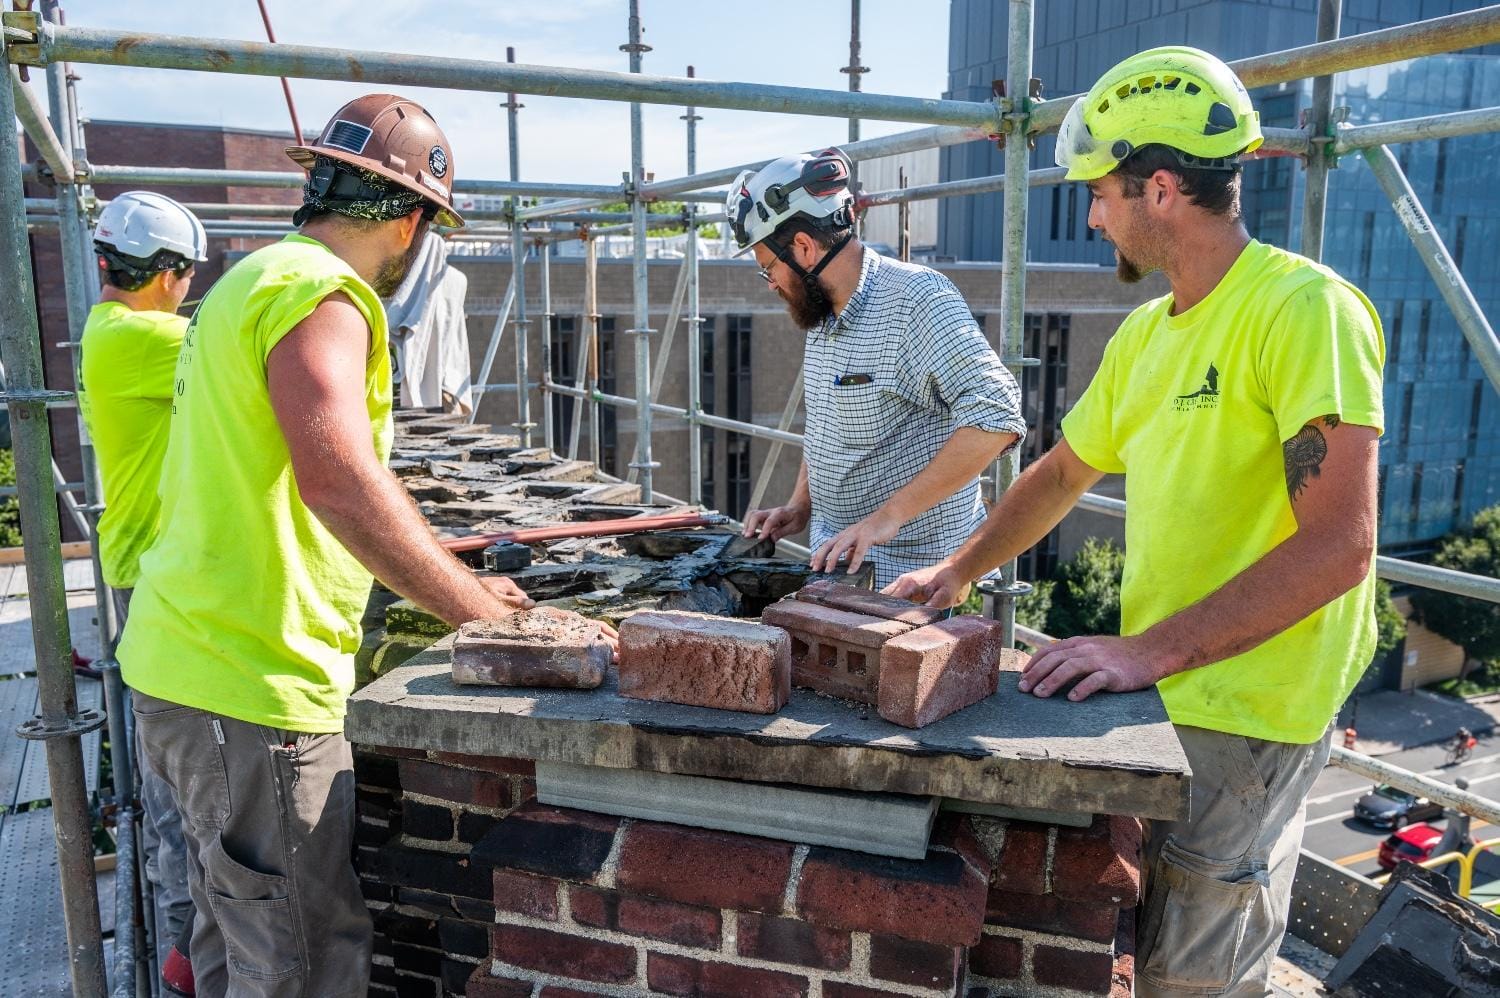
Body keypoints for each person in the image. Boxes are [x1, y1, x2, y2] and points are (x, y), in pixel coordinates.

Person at [886, 47, 1384, 997]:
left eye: (1102, 193)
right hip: (1168, 692)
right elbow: (1065, 469)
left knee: (1194, 976)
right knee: (1141, 947)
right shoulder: (1148, 336)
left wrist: (1146, 650)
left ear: (1160, 187)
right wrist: (956, 571)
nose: (1090, 215)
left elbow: (1339, 547)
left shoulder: (1303, 310)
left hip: (1253, 710)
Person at [119, 93, 617, 996]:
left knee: (237, 940)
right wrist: (474, 609)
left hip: (180, 663)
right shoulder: (326, 293)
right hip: (251, 684)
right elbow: (340, 479)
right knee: (304, 963)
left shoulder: (247, 277)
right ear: (413, 219)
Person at [730, 148, 1026, 588]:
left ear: (804, 248)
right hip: (836, 563)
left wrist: (888, 517)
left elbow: (996, 417)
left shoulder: (916, 300)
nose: (771, 283)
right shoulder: (822, 315)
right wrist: (800, 506)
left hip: (914, 580)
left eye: (769, 268)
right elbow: (827, 429)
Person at [78, 190, 207, 991]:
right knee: (175, 789)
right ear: (171, 274)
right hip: (155, 573)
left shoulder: (110, 328)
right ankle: (187, 959)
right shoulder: (143, 336)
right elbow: (254, 347)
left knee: (168, 768)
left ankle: (185, 949)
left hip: (143, 564)